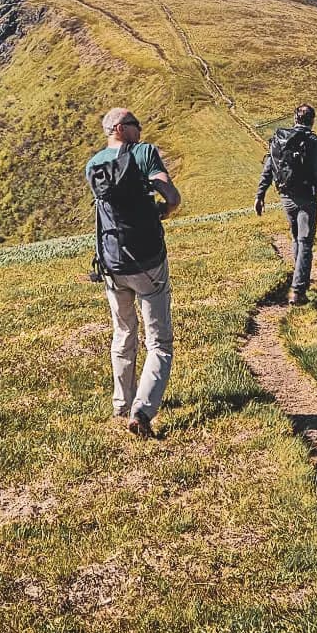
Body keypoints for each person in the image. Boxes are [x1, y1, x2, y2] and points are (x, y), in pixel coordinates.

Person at [85, 106, 181, 437]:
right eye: (137, 124)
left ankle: (121, 403)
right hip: (147, 261)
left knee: (123, 332)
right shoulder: (143, 153)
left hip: (112, 263)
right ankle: (142, 410)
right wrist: (163, 211)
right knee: (159, 342)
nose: (141, 130)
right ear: (122, 128)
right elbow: (172, 196)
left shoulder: (93, 165)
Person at [256, 104, 317, 305]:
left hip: (286, 197)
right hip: (307, 197)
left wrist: (260, 195)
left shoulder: (279, 139)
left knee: (297, 239)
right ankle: (298, 290)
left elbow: (268, 167)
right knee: (305, 241)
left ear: (295, 119)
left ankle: (300, 284)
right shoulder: (312, 140)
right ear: (312, 120)